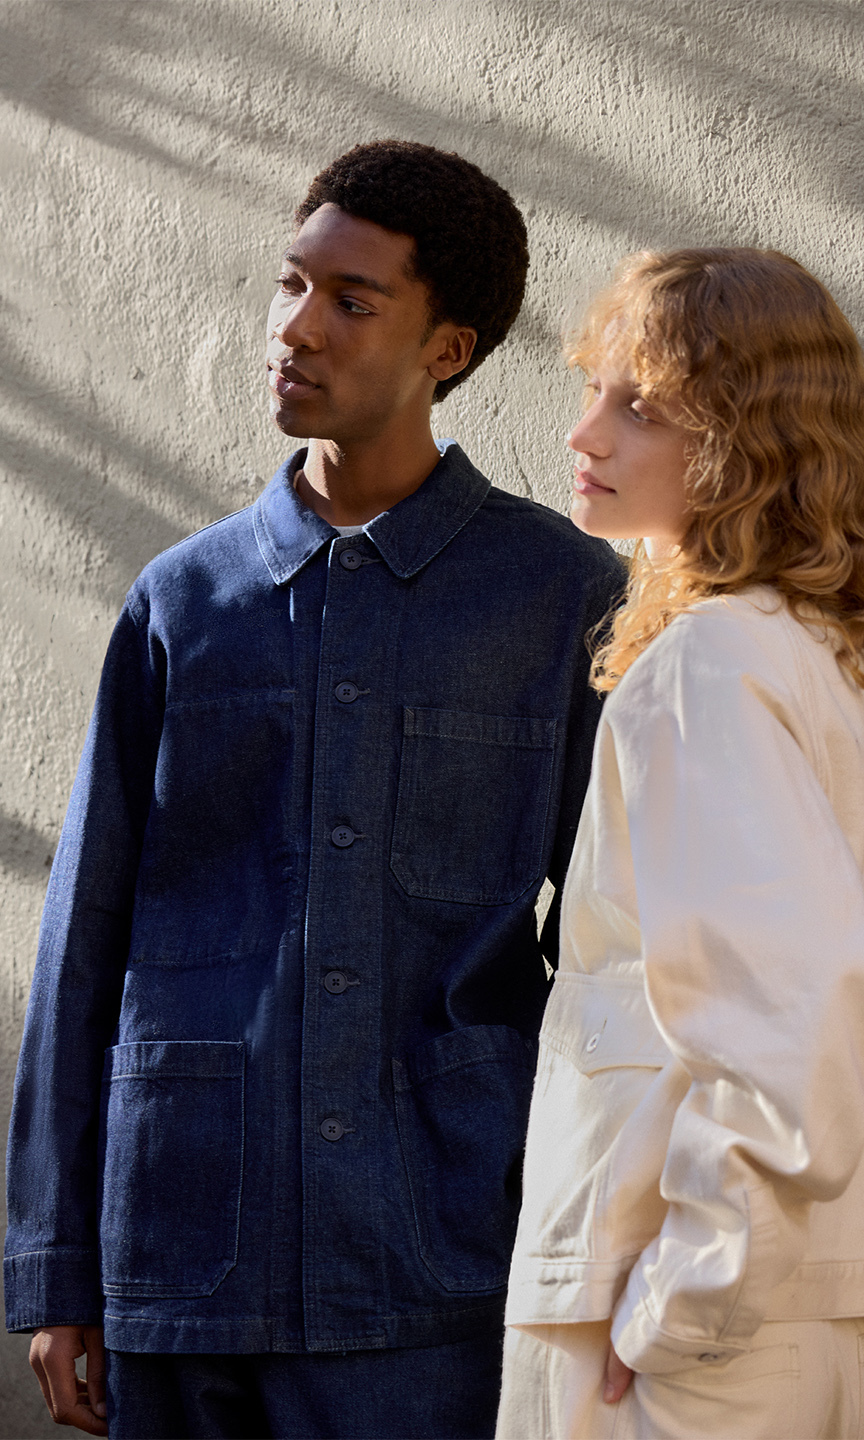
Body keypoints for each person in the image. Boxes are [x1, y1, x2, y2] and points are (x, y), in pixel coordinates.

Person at [4, 140, 623, 1440]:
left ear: (446, 349)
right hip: (182, 1247)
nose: (297, 327)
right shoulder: (185, 601)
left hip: (440, 1256)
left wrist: (601, 1232)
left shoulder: (558, 598)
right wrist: (56, 1267)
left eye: (351, 300)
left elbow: (621, 942)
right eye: (292, 285)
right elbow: (84, 940)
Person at [497, 247, 864, 1440]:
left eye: (639, 407)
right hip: (777, 1311)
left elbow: (789, 1024)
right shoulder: (805, 651)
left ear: (744, 439)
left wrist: (683, 1307)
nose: (585, 433)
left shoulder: (714, 666)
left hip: (696, 1339)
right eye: (594, 388)